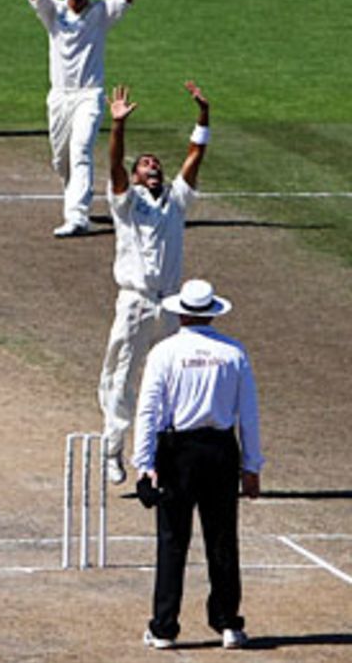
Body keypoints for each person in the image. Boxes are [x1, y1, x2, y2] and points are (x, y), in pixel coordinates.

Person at [132, 278, 262, 651]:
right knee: (222, 540)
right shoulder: (234, 353)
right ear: (211, 314)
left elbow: (149, 411)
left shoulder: (165, 352)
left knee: (172, 540)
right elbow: (248, 415)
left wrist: (144, 465)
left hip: (179, 452)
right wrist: (252, 467)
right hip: (221, 450)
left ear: (182, 312)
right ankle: (229, 625)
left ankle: (164, 627)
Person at [100, 81, 210, 485]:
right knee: (124, 376)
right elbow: (113, 168)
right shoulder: (126, 203)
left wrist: (203, 116)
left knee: (167, 380)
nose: (153, 166)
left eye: (156, 163)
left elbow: (196, 155)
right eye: (145, 163)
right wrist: (117, 127)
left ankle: (160, 457)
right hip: (135, 302)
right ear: (134, 175)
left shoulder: (177, 202)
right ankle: (112, 450)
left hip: (170, 305)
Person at [25, 0, 144, 236]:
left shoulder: (101, 11)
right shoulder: (55, 12)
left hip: (89, 95)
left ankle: (77, 215)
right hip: (59, 96)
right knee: (60, 160)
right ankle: (73, 199)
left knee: (81, 151)